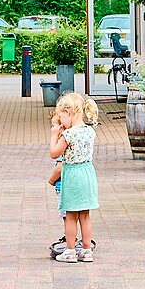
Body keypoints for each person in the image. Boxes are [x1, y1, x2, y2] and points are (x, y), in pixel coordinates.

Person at [48, 92, 99, 263]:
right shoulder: (90, 131)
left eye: (61, 117)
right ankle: (86, 251)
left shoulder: (68, 135)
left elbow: (54, 154)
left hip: (73, 176)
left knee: (70, 216)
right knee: (85, 215)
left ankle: (70, 250)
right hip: (88, 174)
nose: (61, 122)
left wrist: (55, 134)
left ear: (69, 112)